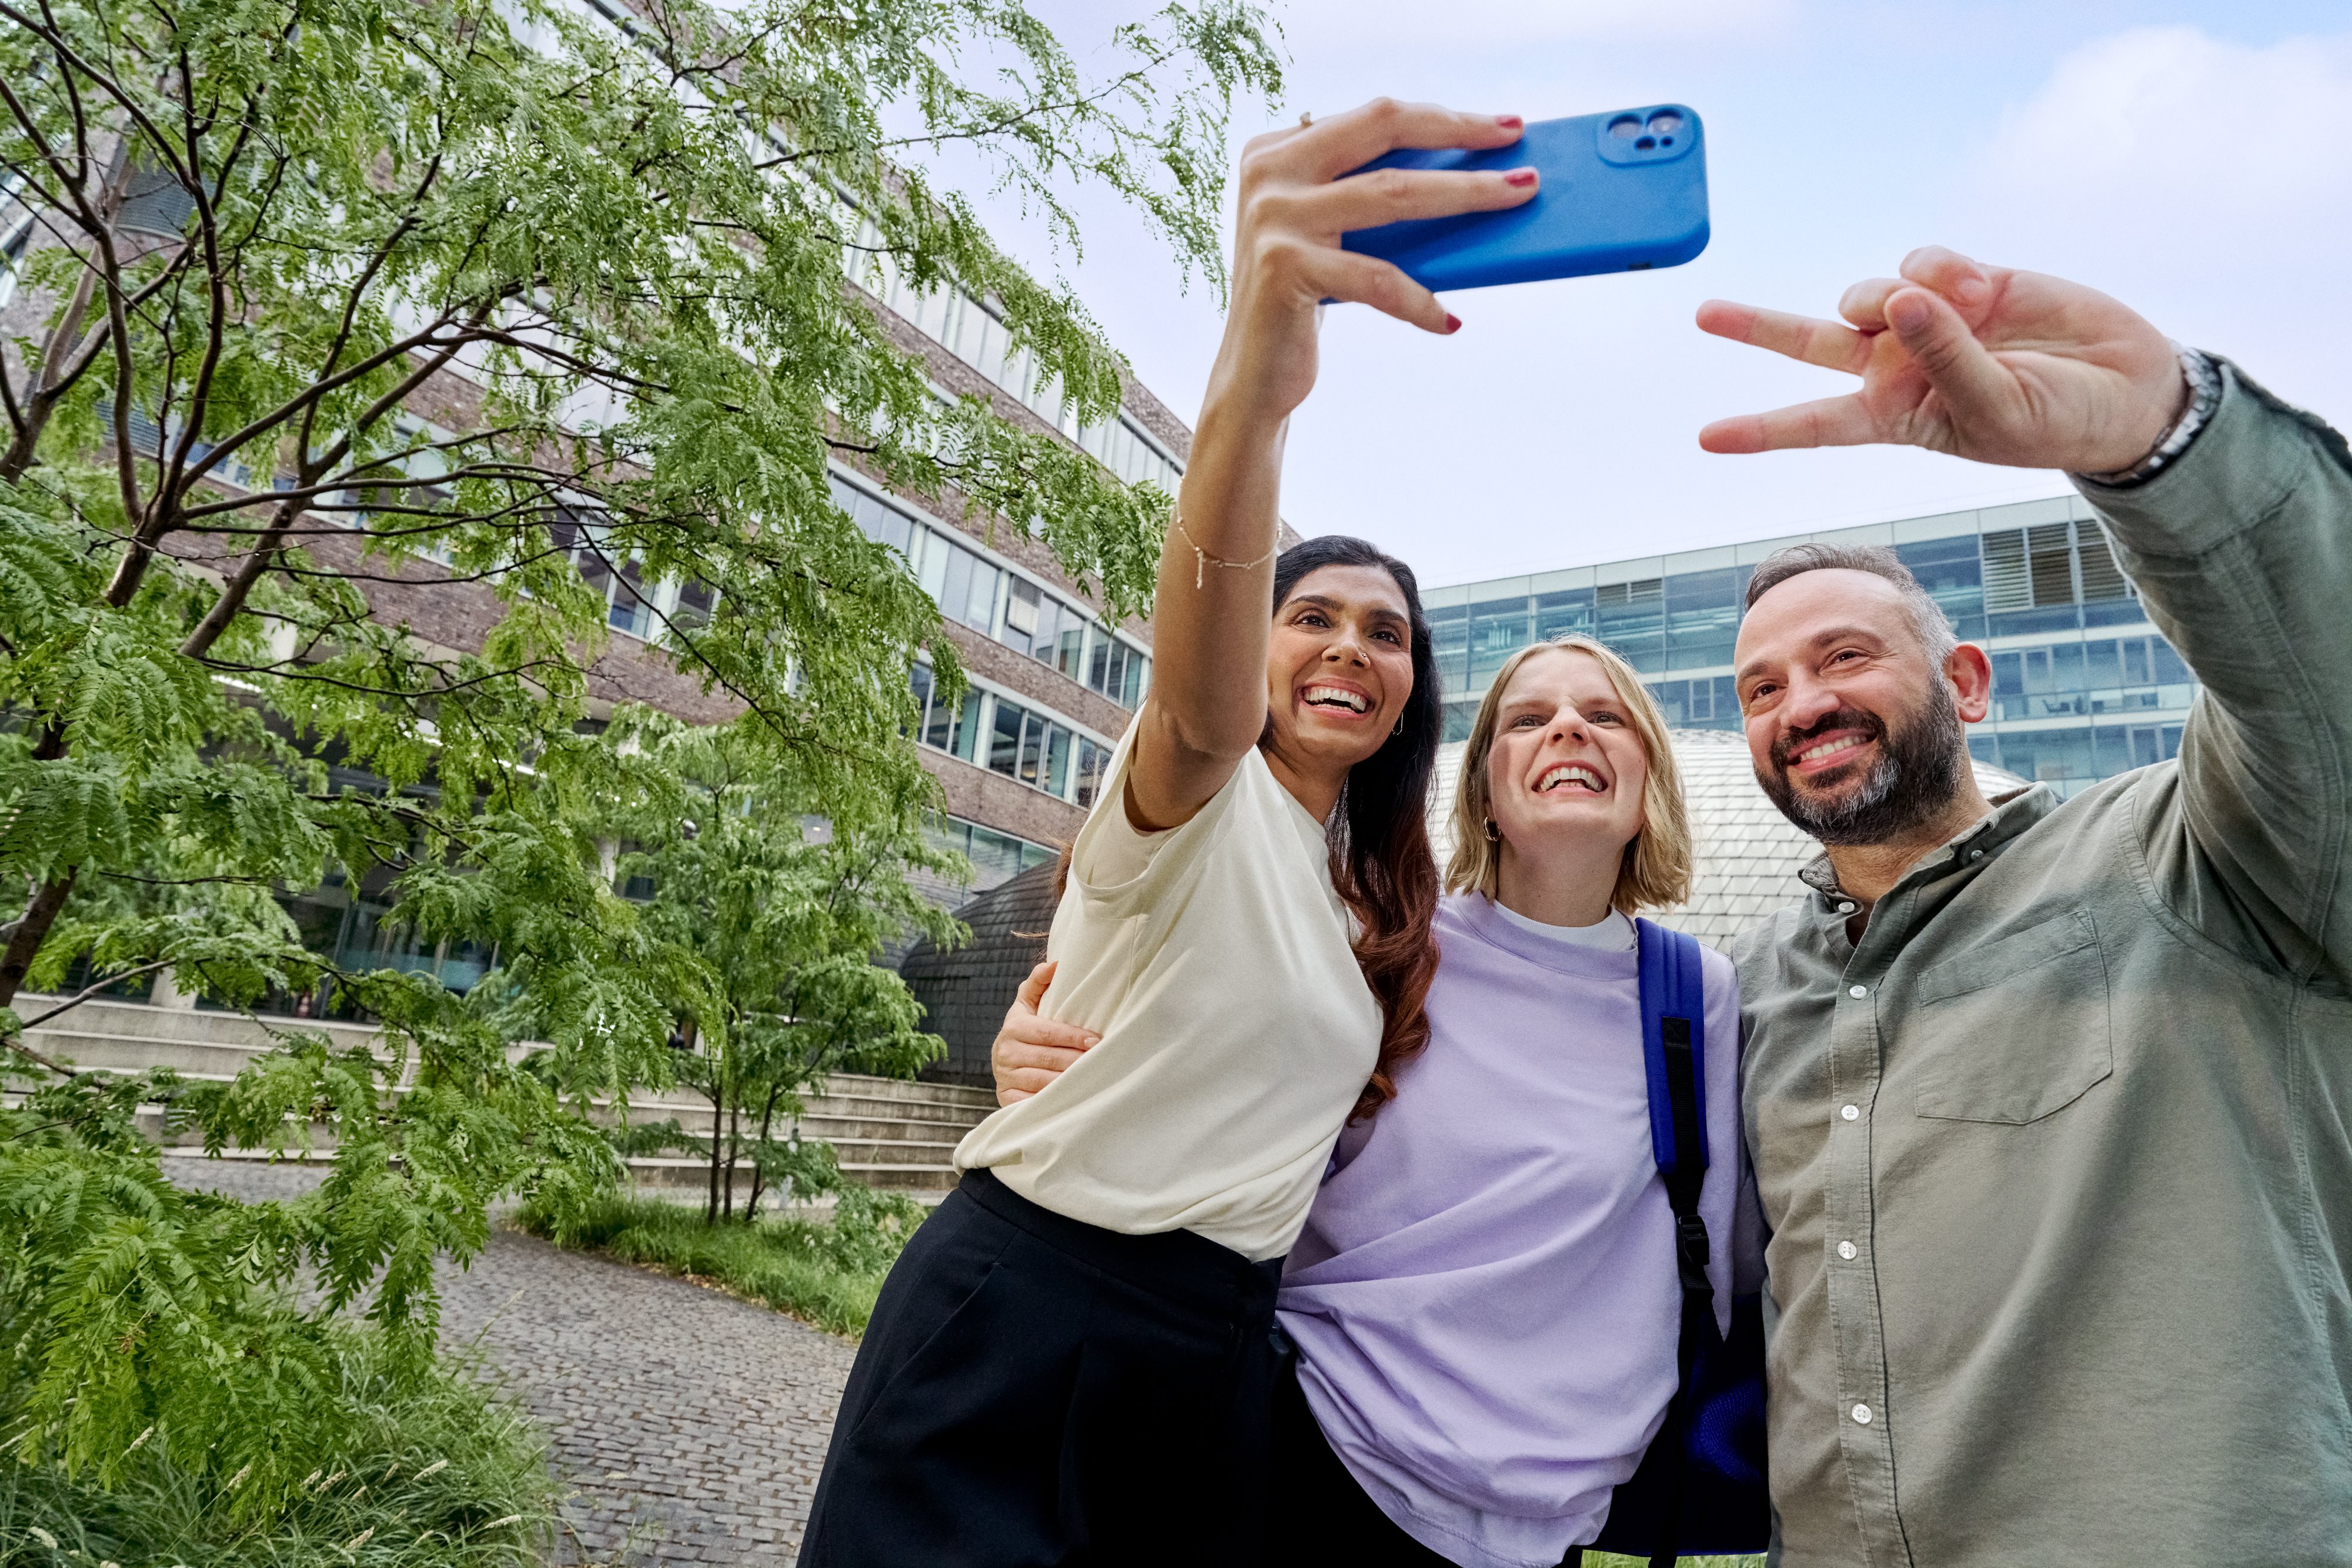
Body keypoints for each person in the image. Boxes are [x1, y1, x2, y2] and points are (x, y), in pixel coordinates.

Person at [800, 99, 1539, 1568]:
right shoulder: (1196, 795)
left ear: (1410, 691)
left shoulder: (1371, 903)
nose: (1348, 647)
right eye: (1309, 616)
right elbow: (1196, 710)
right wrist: (1253, 395)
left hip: (1210, 1357)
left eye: (1384, 633)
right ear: (1253, 646)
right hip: (1025, 1309)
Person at [1698, 246, 2352, 1563]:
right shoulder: (1756, 980)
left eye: (1843, 656)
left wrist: (2160, 442)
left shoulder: (2194, 861)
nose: (1799, 704)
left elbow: (2316, 695)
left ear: (1970, 684)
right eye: (1759, 688)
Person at [994, 633, 1756, 1568]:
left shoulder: (1702, 997)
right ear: (1483, 791)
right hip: (1312, 1461)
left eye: (1604, 717)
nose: (1568, 730)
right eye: (1529, 719)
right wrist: (1040, 1056)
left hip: (1547, 1525)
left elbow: (1738, 1251)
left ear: (1649, 782)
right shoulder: (1384, 945)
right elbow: (1190, 1070)